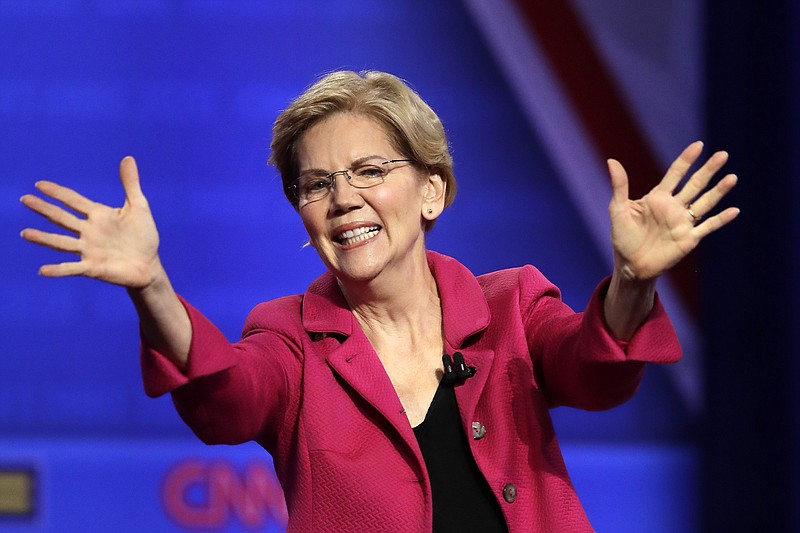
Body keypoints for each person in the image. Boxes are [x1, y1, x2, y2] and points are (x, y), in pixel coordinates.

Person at [20, 70, 739, 532]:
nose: (342, 200)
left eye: (369, 170)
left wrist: (634, 279)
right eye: (316, 184)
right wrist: (152, 285)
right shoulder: (291, 339)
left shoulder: (511, 306)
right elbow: (224, 396)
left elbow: (596, 368)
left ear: (433, 191)